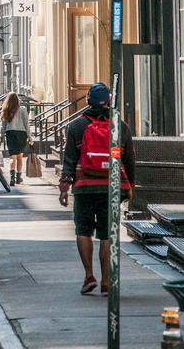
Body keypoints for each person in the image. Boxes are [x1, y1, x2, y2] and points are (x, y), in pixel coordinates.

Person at [59, 83, 135, 296]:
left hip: (83, 187)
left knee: (83, 230)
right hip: (111, 188)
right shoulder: (120, 127)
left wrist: (64, 186)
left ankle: (89, 276)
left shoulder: (75, 126)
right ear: (110, 102)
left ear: (88, 101)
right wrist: (129, 187)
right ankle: (106, 282)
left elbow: (69, 160)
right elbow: (129, 160)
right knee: (106, 234)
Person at [0, 92, 31, 186]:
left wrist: (1, 138)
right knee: (20, 157)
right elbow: (27, 124)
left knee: (12, 157)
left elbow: (3, 126)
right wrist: (30, 137)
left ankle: (12, 179)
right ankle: (18, 177)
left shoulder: (6, 110)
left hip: (10, 133)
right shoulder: (22, 109)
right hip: (21, 134)